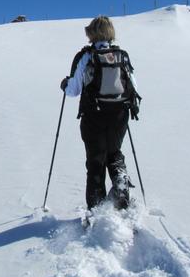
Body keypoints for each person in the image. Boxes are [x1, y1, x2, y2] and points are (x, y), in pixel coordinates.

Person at [60, 15, 140, 211]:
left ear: (91, 33)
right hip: (120, 115)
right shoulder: (121, 55)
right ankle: (121, 185)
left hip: (93, 115)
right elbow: (133, 85)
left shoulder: (86, 57)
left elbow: (74, 90)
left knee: (95, 160)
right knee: (114, 153)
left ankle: (97, 211)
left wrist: (64, 84)